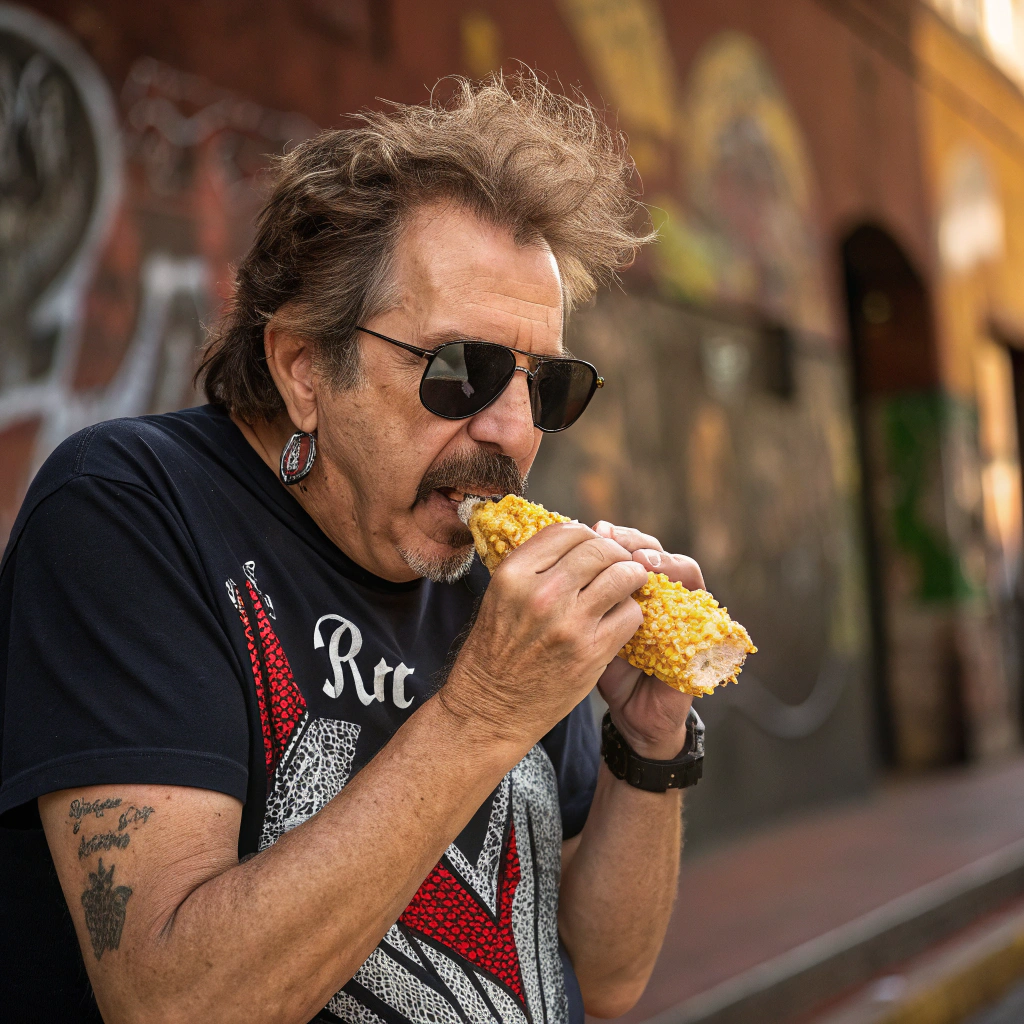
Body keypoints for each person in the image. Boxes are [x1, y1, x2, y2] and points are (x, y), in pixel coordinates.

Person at [0, 74, 705, 1024]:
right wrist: (485, 712)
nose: (512, 431)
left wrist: (646, 744)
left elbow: (604, 976)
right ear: (303, 369)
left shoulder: (502, 576)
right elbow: (175, 1003)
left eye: (546, 385)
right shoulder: (130, 512)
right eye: (463, 370)